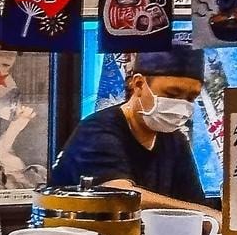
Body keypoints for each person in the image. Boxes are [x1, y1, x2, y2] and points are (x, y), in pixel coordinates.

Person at [51, 47, 215, 213]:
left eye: (191, 98)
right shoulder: (97, 130)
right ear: (138, 84)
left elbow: (192, 200)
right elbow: (120, 196)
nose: (181, 105)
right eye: (172, 94)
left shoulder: (175, 140)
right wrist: (202, 212)